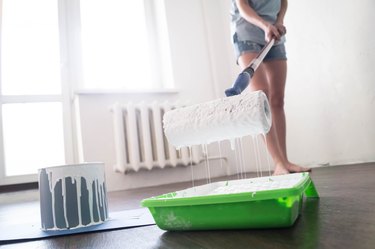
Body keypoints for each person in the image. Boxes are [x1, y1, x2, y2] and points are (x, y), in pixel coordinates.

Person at [230, 0, 310, 175]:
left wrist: (279, 21)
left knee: (277, 99)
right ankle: (278, 164)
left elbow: (283, 2)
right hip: (247, 33)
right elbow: (242, 6)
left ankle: (285, 162)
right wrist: (265, 25)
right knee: (262, 98)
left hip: (274, 35)